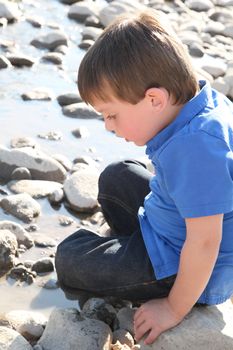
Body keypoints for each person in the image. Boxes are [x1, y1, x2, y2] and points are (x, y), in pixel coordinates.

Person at [55, 9, 233, 345]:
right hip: (171, 226)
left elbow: (206, 241)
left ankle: (134, 266)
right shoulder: (199, 103)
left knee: (69, 258)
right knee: (116, 176)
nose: (108, 125)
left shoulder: (196, 148)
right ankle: (126, 249)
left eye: (112, 114)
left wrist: (173, 308)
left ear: (154, 99)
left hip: (181, 265)